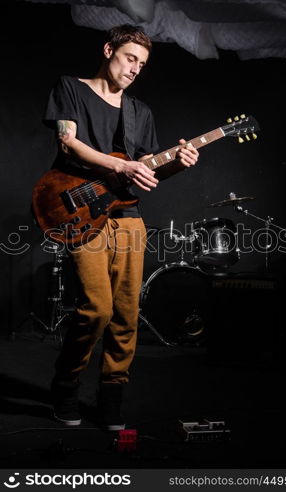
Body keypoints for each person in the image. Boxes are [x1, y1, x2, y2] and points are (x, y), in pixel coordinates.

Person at [43, 24, 199, 430]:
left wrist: (177, 165)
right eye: (130, 58)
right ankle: (66, 385)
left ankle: (111, 395)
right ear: (109, 49)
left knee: (127, 314)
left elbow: (144, 173)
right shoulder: (71, 88)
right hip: (81, 213)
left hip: (128, 218)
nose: (135, 69)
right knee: (97, 309)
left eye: (142, 65)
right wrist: (118, 163)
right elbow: (67, 143)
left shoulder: (139, 112)